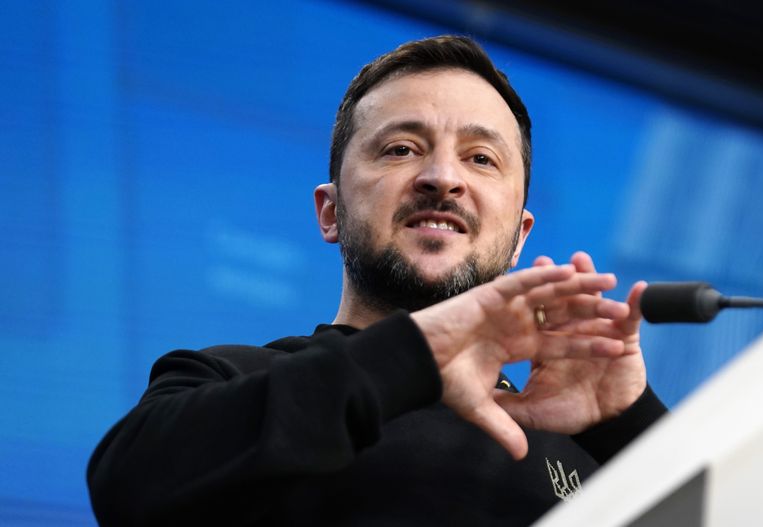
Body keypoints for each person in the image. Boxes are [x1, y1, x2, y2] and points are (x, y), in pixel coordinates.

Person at [87, 35, 666, 526]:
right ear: (331, 212)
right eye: (401, 149)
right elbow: (127, 484)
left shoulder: (596, 443)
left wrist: (630, 424)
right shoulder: (233, 378)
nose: (442, 178)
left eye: (481, 158)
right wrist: (422, 353)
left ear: (520, 237)